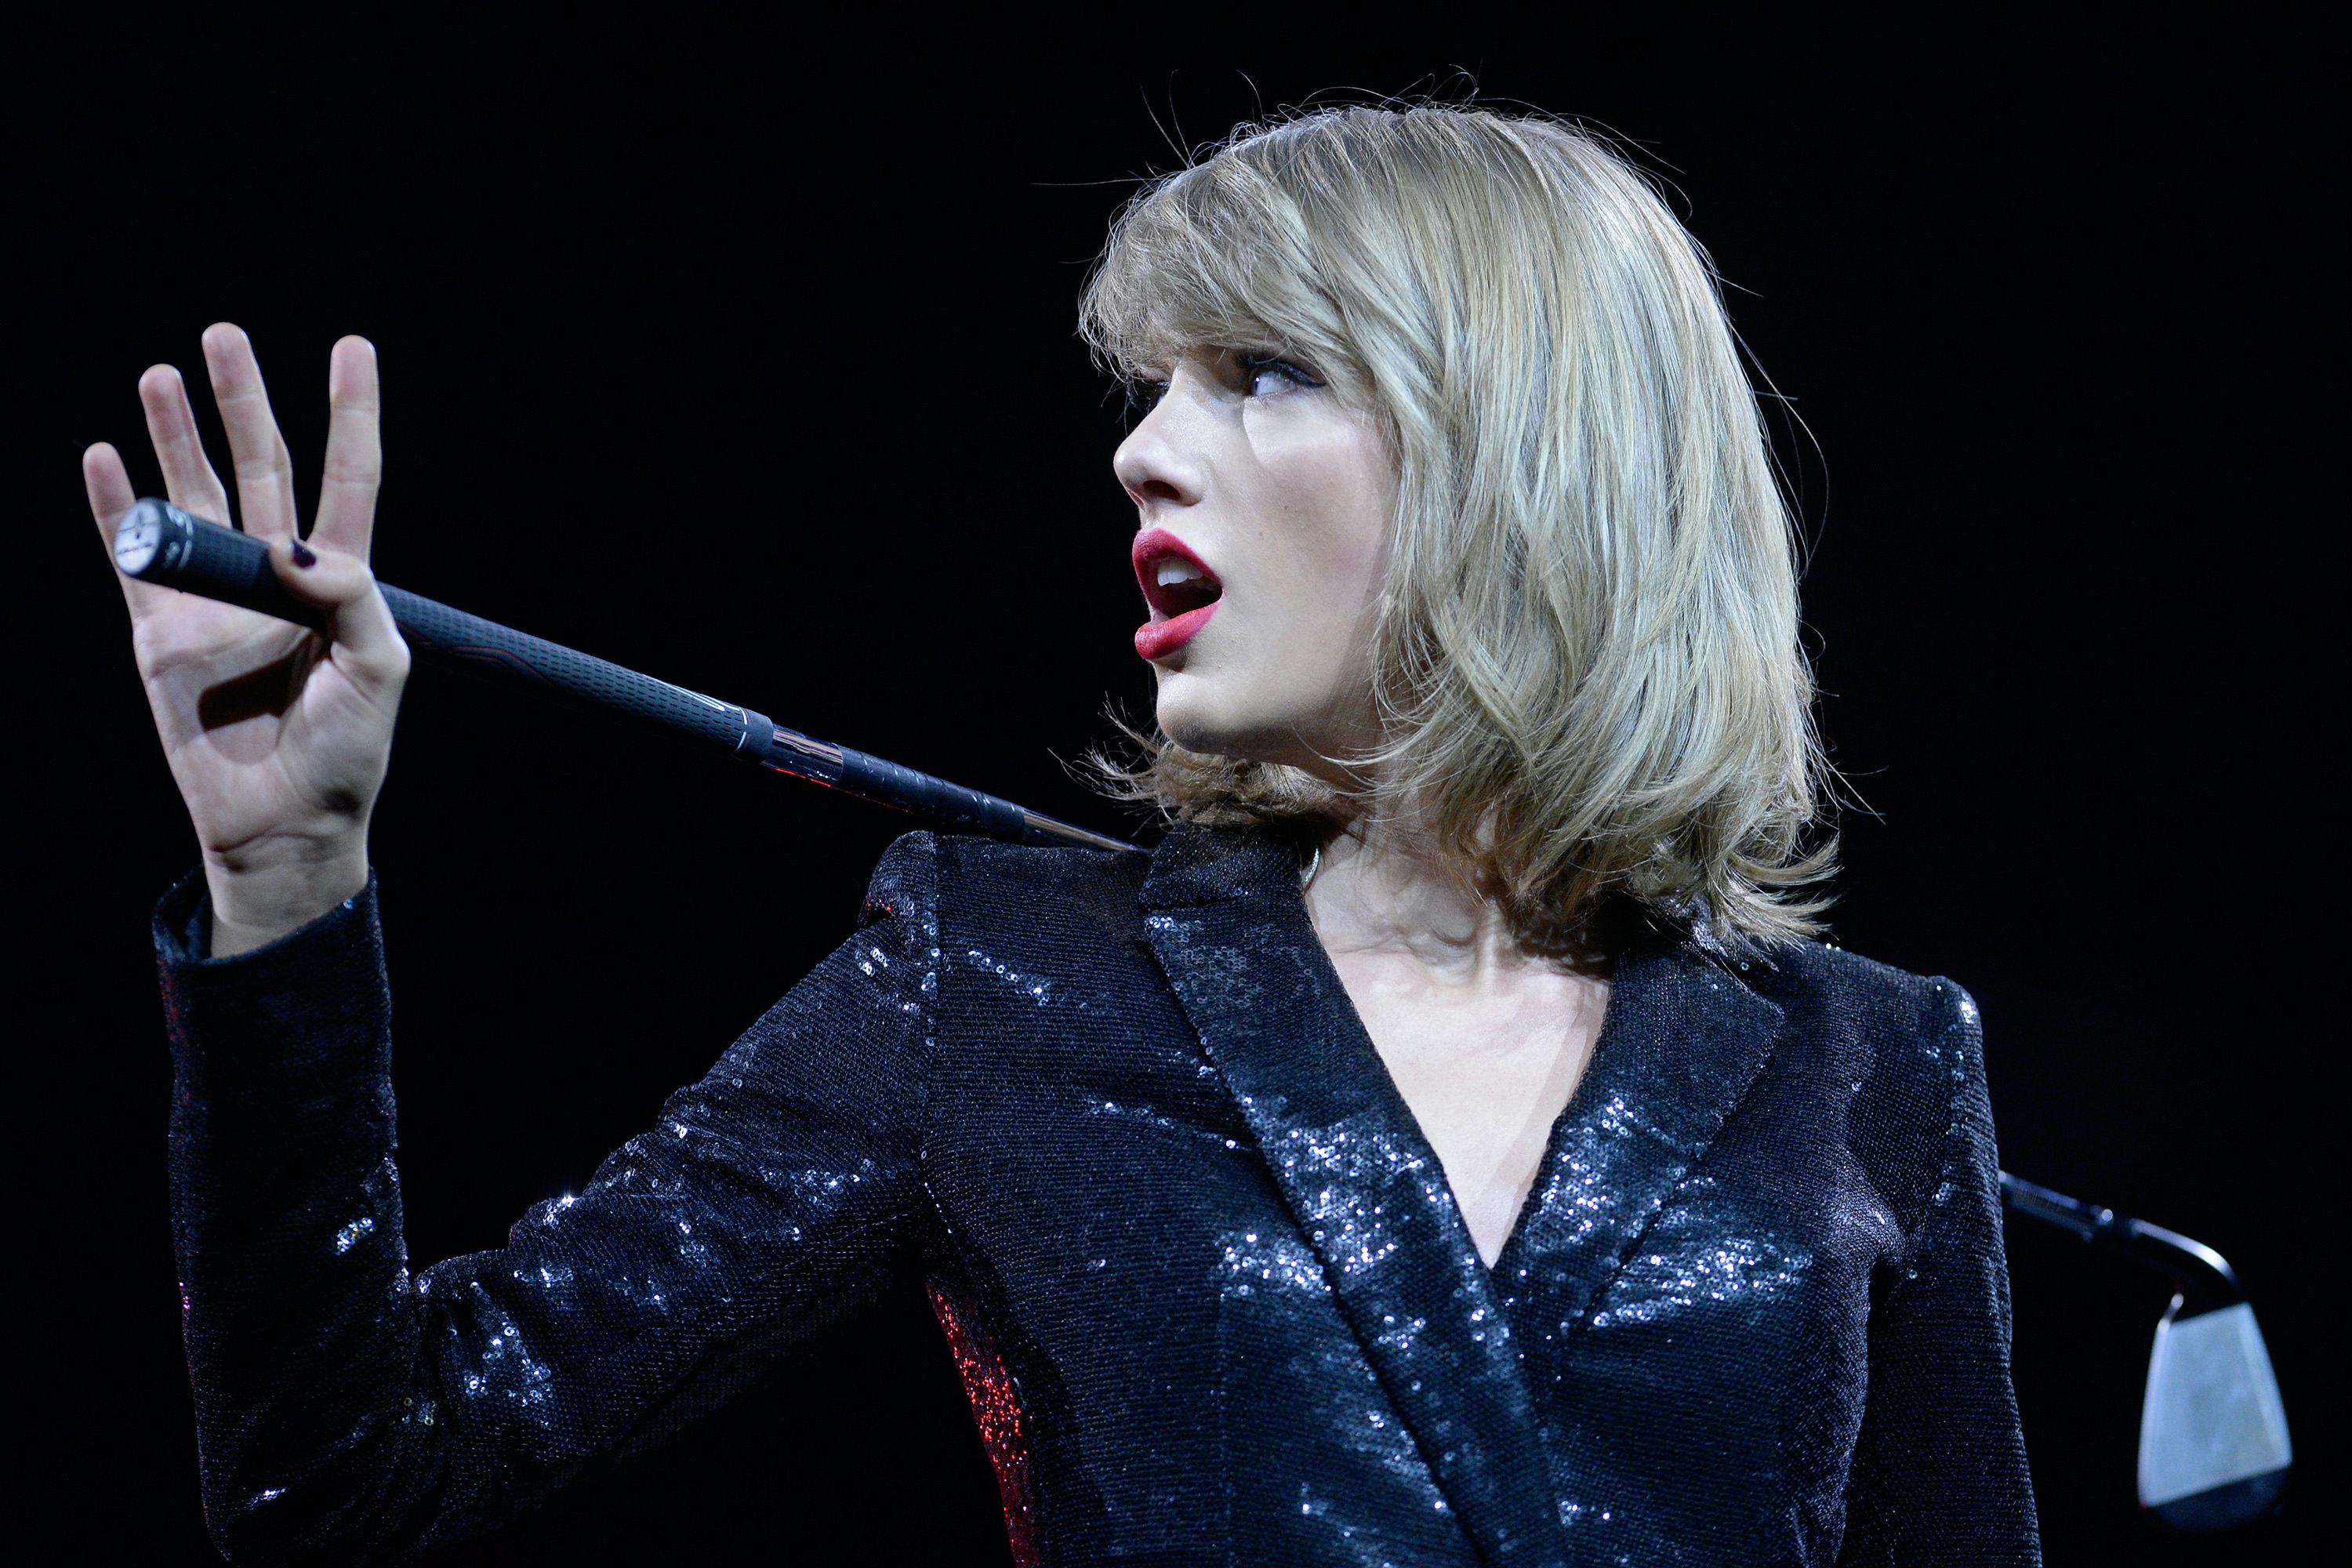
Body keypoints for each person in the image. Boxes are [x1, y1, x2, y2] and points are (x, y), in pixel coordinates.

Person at [87, 104, 2041, 1566]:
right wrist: (284, 888)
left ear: (1519, 447)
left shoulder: (1873, 1064)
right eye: (1157, 384)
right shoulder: (1001, 970)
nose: (1141, 447)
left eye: (1262, 373)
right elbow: (356, 1481)